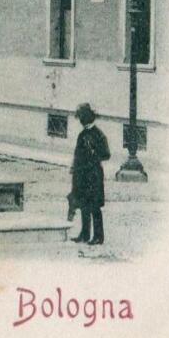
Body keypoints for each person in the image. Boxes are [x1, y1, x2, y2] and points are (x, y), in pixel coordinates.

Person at [70, 103, 110, 245]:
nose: (81, 120)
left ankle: (99, 237)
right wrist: (74, 167)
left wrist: (94, 153)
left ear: (88, 117)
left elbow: (106, 154)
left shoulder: (98, 134)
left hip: (94, 175)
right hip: (82, 175)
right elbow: (77, 154)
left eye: (82, 117)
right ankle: (85, 234)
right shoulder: (82, 135)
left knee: (95, 206)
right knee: (84, 205)